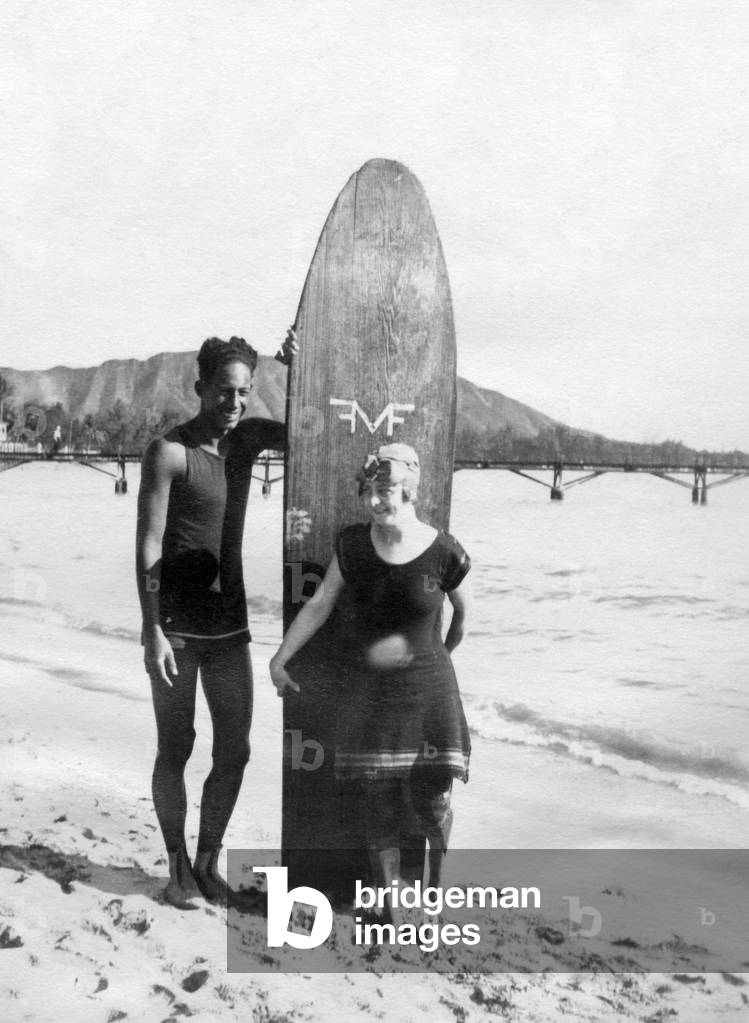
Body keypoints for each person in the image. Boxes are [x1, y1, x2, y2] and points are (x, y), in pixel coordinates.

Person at [270, 443, 471, 922]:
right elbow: (319, 604)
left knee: (433, 800)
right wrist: (280, 659)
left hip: (430, 696)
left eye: (388, 491)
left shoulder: (445, 550)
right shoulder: (354, 546)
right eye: (371, 492)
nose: (379, 501)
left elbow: (462, 616)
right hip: (370, 695)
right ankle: (390, 904)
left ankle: (434, 897)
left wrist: (436, 661)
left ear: (411, 491)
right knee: (377, 801)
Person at [136, 331, 297, 908]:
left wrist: (296, 367)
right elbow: (149, 545)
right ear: (200, 386)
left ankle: (207, 864)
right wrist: (152, 628)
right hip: (176, 629)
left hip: (229, 626)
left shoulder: (248, 440)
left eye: (246, 392)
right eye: (225, 391)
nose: (235, 402)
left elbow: (306, 430)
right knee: (175, 747)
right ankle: (176, 867)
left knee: (235, 750)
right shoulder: (169, 451)